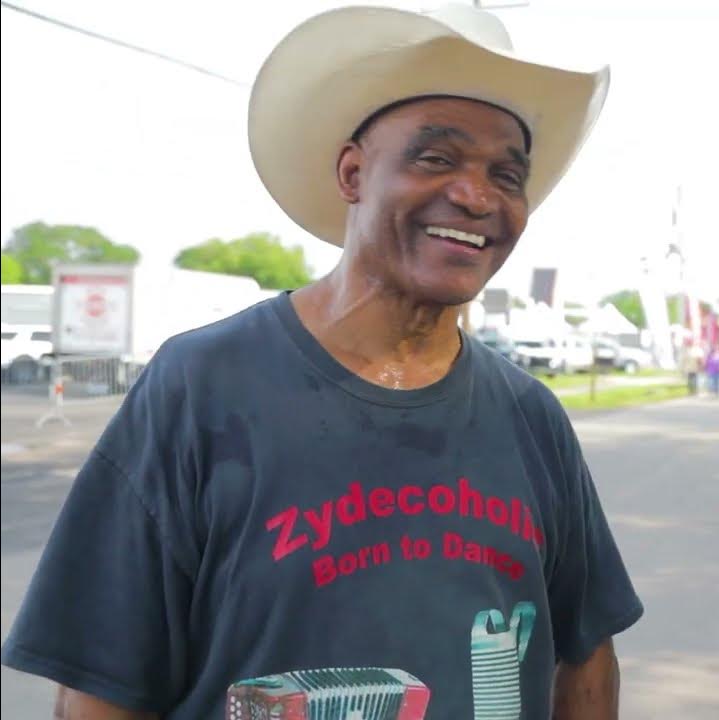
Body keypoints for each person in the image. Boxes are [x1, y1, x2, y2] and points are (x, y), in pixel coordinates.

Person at [1, 6, 642, 719]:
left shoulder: (530, 416)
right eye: (436, 157)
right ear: (352, 172)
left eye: (507, 174)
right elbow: (100, 690)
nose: (476, 195)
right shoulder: (203, 385)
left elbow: (586, 657)